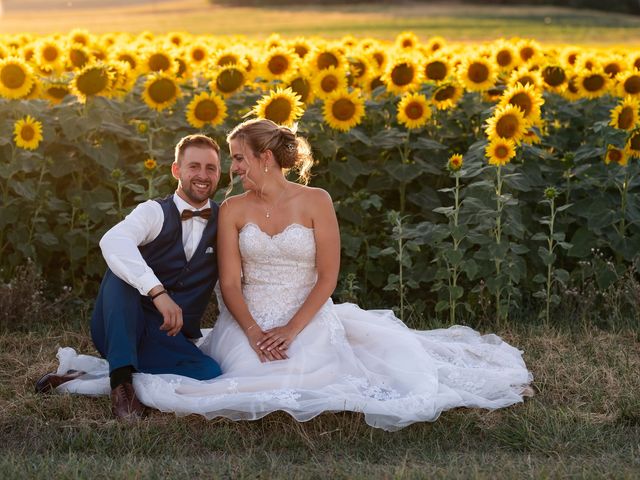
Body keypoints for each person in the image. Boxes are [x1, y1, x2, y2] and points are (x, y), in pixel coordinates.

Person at [47, 120, 533, 431]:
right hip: (220, 317)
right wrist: (247, 328)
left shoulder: (309, 202)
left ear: (264, 158)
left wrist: (289, 329)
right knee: (130, 288)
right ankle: (119, 380)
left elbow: (327, 277)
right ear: (178, 169)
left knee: (224, 379)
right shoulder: (206, 211)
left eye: (231, 160)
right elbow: (227, 283)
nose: (226, 170)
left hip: (292, 315)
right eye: (212, 163)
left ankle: (97, 373)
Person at [35, 134, 224, 420]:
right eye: (194, 166)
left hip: (168, 336)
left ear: (219, 172)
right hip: (122, 323)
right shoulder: (153, 211)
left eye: (211, 168)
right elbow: (113, 241)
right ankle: (121, 384)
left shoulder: (224, 220)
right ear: (177, 170)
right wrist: (157, 292)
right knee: (120, 271)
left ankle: (84, 377)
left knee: (209, 374)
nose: (202, 175)